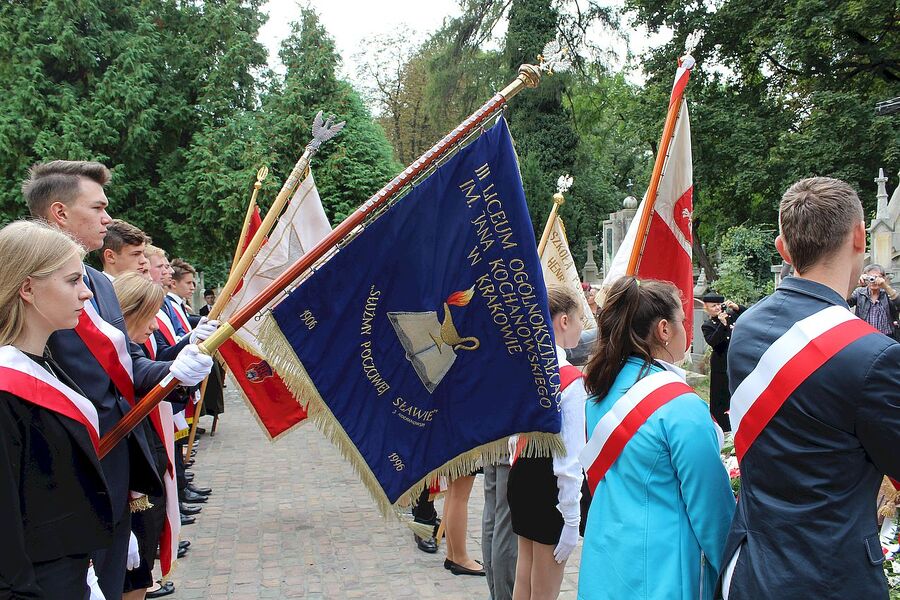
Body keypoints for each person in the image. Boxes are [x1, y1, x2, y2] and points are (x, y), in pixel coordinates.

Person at [23, 159, 214, 599]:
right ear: (60, 213)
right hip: (67, 466)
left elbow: (126, 367)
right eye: (98, 207)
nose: (108, 218)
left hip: (119, 457)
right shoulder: (24, 280)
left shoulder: (99, 285)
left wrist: (174, 367)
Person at [722, 177, 900, 599]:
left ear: (783, 248)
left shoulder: (746, 330)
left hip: (752, 570)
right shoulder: (873, 356)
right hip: (832, 579)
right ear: (860, 236)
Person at [578, 276, 734, 600]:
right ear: (664, 330)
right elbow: (714, 516)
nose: (686, 328)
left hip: (607, 564)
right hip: (663, 576)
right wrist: (738, 576)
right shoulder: (682, 407)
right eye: (683, 320)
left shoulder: (600, 391)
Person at [0, 220, 113, 599]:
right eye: (72, 281)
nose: (85, 294)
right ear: (28, 288)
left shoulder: (44, 361)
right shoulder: (6, 387)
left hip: (70, 568)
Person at [507, 285, 587, 600]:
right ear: (563, 321)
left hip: (523, 476)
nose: (584, 326)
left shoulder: (525, 366)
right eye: (580, 318)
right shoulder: (569, 380)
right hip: (550, 488)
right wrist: (570, 515)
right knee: (545, 591)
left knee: (524, 580)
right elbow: (569, 459)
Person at [114, 273, 179, 600]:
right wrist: (177, 368)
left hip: (142, 468)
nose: (154, 325)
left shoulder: (128, 346)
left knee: (139, 574)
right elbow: (142, 372)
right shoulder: (113, 351)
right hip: (124, 483)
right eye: (148, 315)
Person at [700, 293, 745, 431]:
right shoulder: (707, 325)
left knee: (737, 393)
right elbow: (713, 341)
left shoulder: (731, 316)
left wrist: (738, 308)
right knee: (720, 396)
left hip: (735, 360)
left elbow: (749, 316)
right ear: (706, 308)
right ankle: (721, 427)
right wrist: (722, 325)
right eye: (713, 306)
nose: (717, 308)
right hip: (720, 362)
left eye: (719, 305)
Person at [847, 263, 900, 339]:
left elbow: (898, 304)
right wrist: (855, 283)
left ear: (883, 279)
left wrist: (885, 286)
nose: (873, 281)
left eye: (877, 277)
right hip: (865, 337)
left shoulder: (889, 292)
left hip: (888, 337)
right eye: (870, 277)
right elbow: (844, 300)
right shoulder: (859, 293)